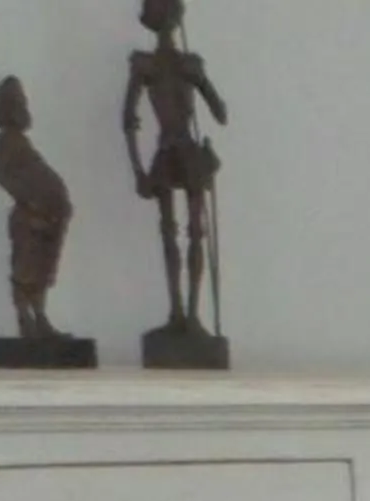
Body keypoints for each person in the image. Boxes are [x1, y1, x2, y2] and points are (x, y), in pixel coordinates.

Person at [123, 0, 227, 339]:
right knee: (170, 232)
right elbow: (128, 120)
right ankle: (178, 313)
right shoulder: (145, 64)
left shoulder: (187, 64)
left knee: (194, 232)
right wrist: (138, 171)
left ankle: (191, 315)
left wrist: (202, 81)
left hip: (186, 151)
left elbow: (221, 113)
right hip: (169, 152)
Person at [0, 78, 72, 343]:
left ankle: (41, 317)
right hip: (30, 215)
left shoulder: (22, 142)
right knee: (26, 267)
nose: (23, 109)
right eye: (18, 104)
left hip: (50, 214)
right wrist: (30, 201)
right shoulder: (2, 143)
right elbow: (5, 176)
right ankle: (26, 319)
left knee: (43, 268)